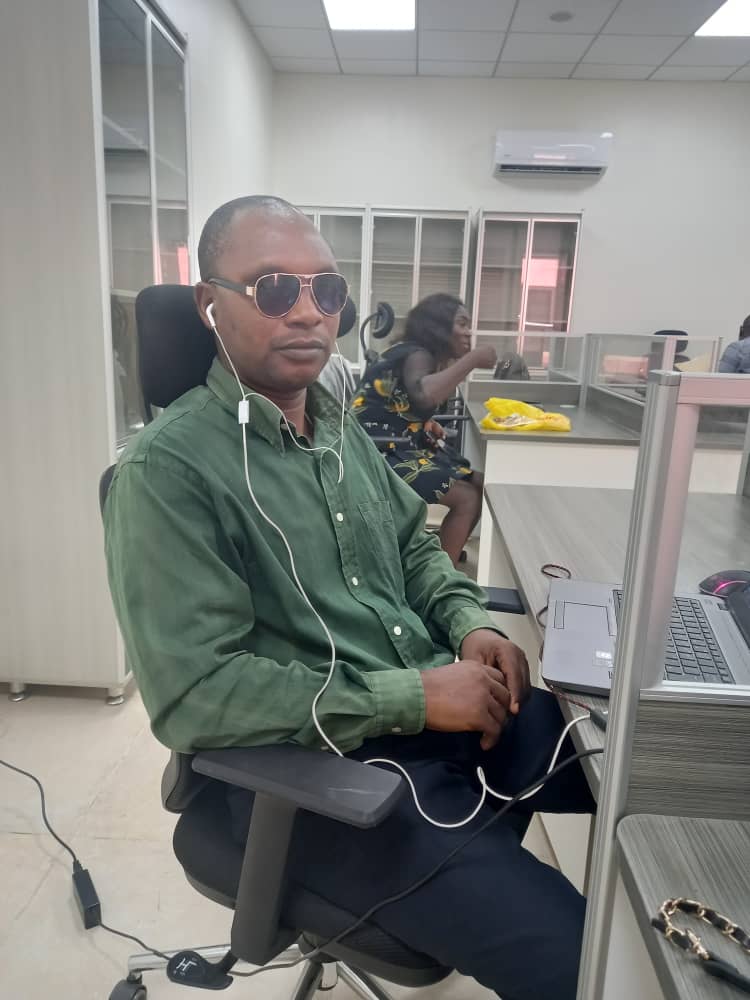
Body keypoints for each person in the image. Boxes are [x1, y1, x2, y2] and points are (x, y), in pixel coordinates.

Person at [104, 196, 594, 1000]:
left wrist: (468, 623)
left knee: (635, 765)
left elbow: (412, 546)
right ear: (209, 304)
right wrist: (415, 696)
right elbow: (196, 696)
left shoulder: (337, 428)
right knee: (583, 962)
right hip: (322, 781)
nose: (307, 312)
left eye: (325, 290)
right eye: (272, 289)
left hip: (437, 720)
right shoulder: (169, 473)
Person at [351, 294, 496, 565]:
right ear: (439, 326)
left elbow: (400, 403)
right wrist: (473, 359)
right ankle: (441, 579)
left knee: (479, 482)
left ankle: (445, 552)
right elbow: (424, 394)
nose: (468, 332)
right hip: (373, 454)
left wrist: (425, 423)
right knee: (467, 498)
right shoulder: (417, 354)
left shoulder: (415, 354)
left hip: (393, 444)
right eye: (462, 324)